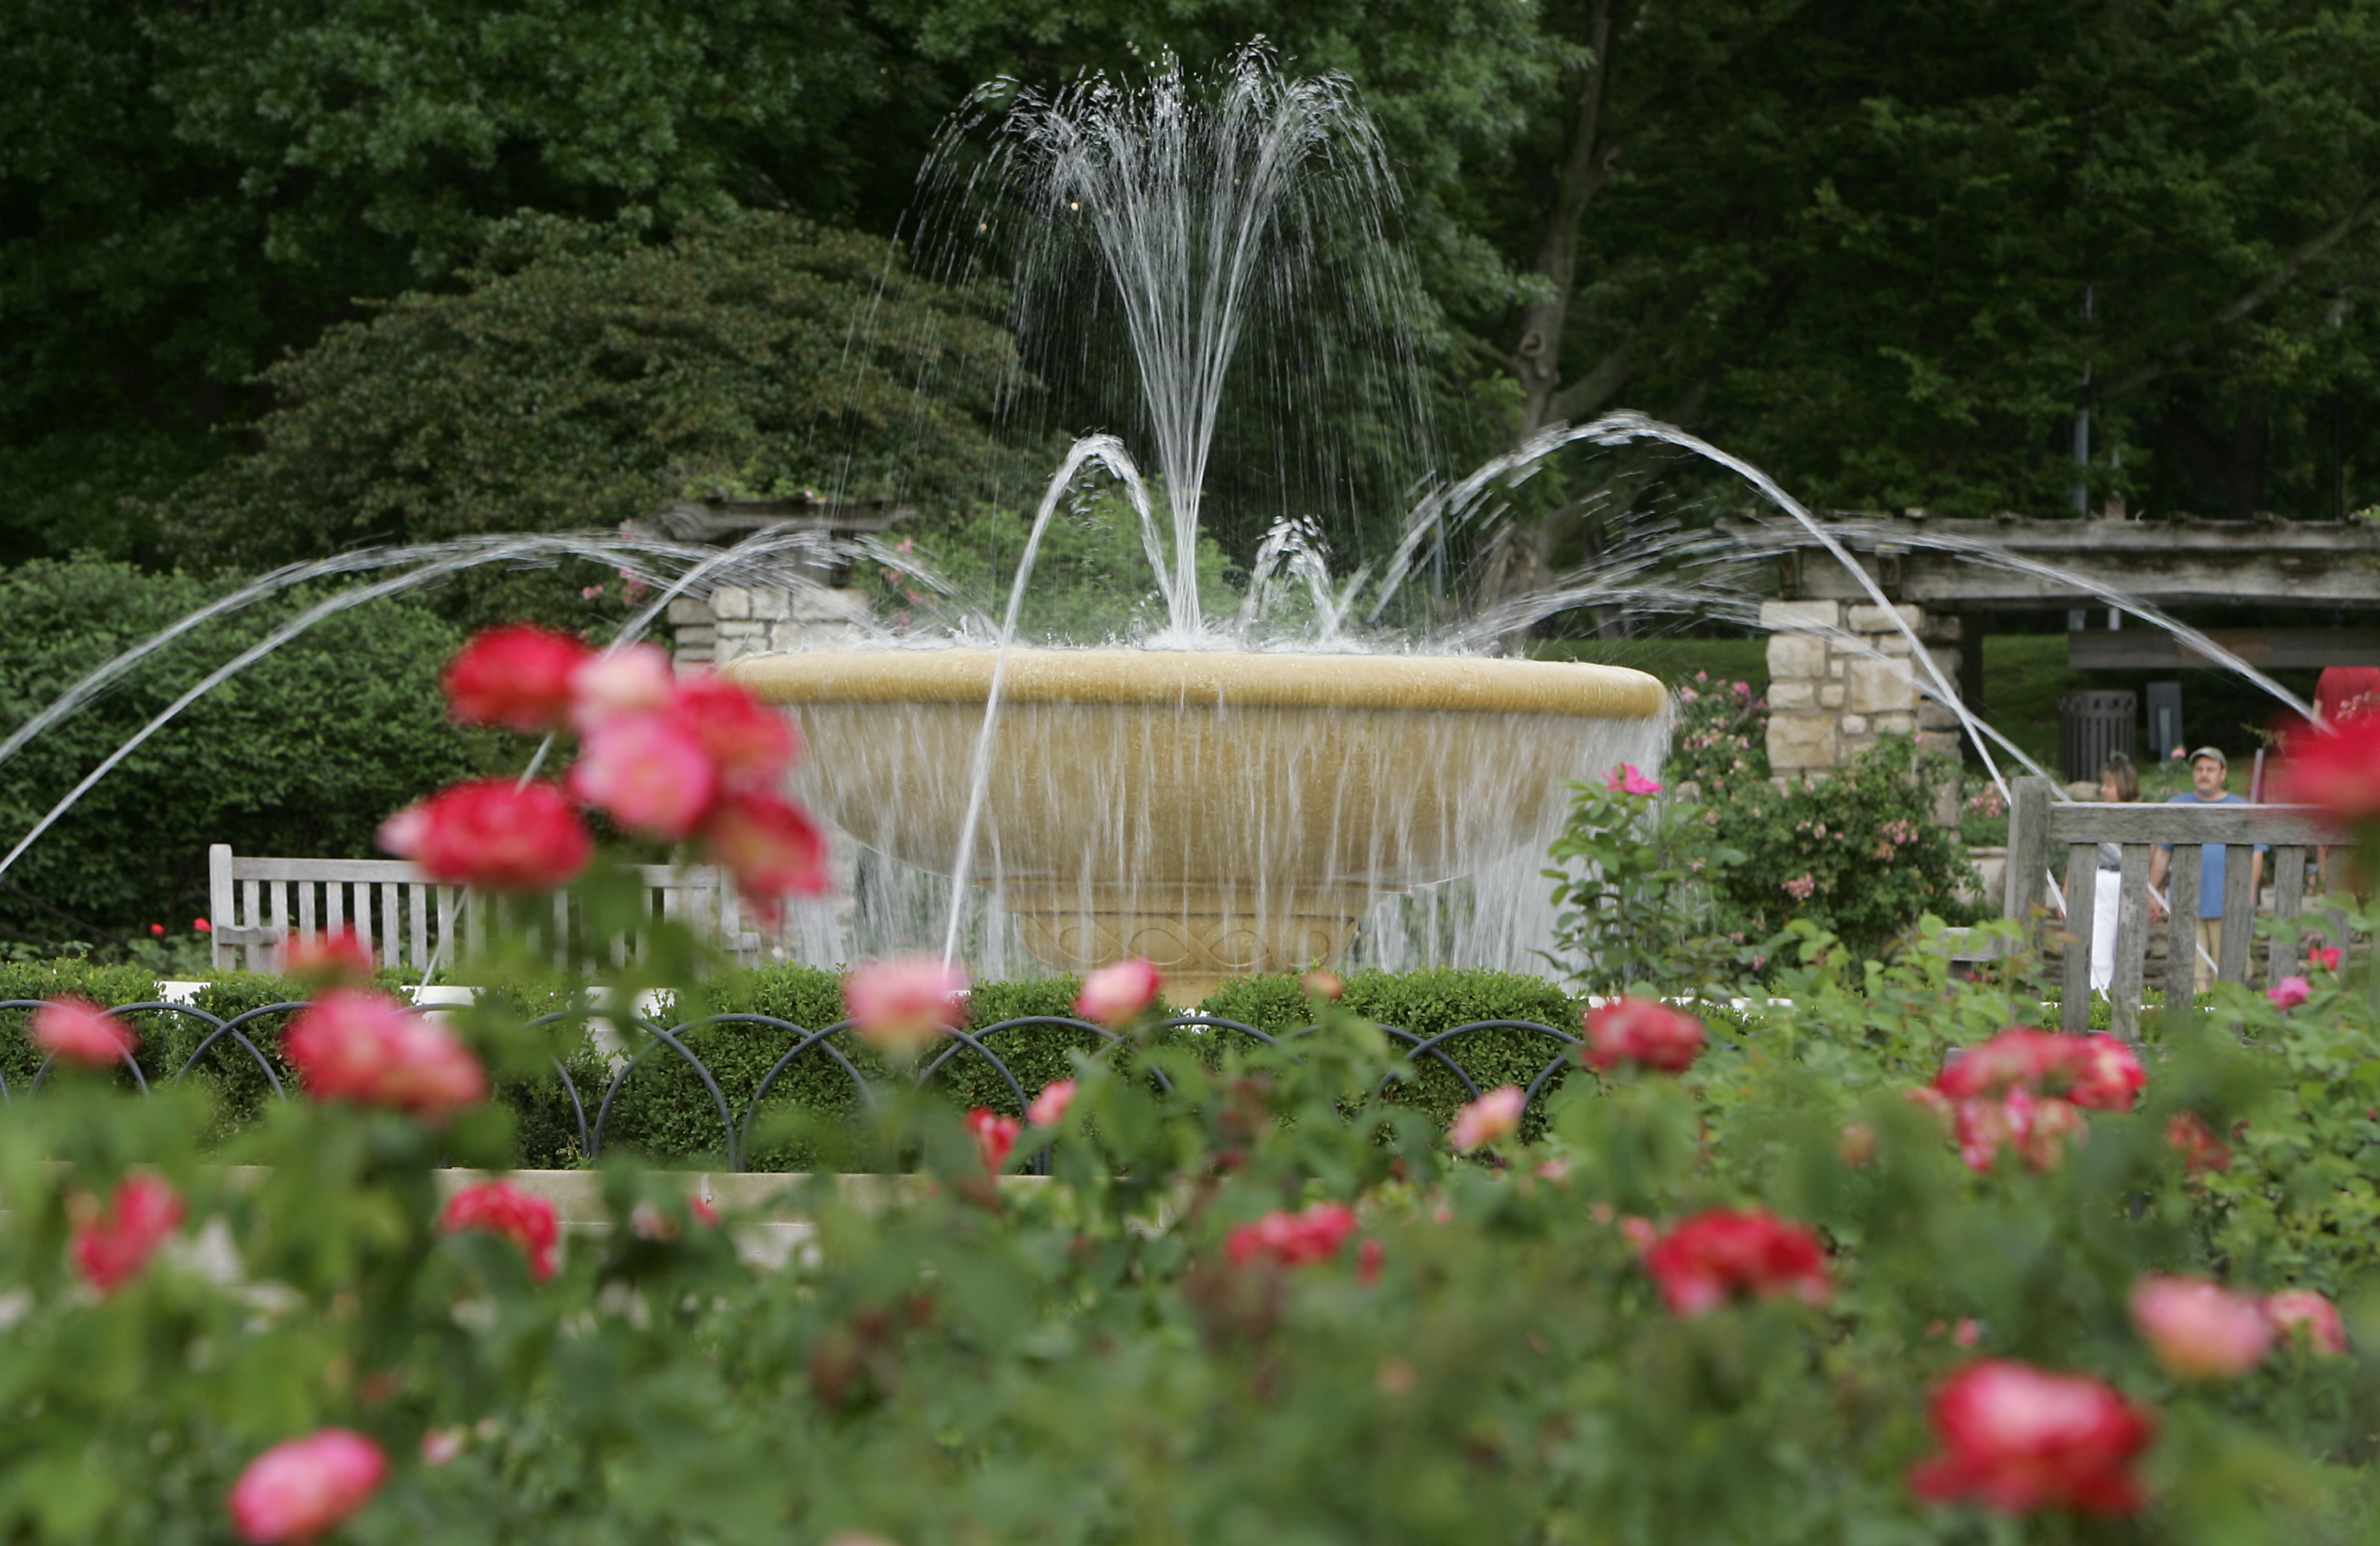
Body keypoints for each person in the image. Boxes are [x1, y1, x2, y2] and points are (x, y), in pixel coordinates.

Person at [2147, 747, 2265, 996]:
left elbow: (2257, 853)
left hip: (2230, 904)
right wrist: (2152, 892)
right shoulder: (2177, 807)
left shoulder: (2242, 808)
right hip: (2186, 904)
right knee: (2192, 973)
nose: (2204, 774)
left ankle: (2227, 1028)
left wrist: (2251, 892)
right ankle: (2198, 1023)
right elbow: (2162, 852)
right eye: (2199, 769)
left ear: (2223, 774)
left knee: (2231, 971)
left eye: (2210, 769)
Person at [2085, 754, 2138, 993]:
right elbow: (2084, 852)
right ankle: (2099, 994)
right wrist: (2066, 891)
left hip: (2131, 881)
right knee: (2099, 946)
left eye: (2108, 785)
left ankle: (2126, 996)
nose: (2103, 790)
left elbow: (2156, 853)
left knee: (2130, 945)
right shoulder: (2098, 817)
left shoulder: (2140, 816)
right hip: (2102, 879)